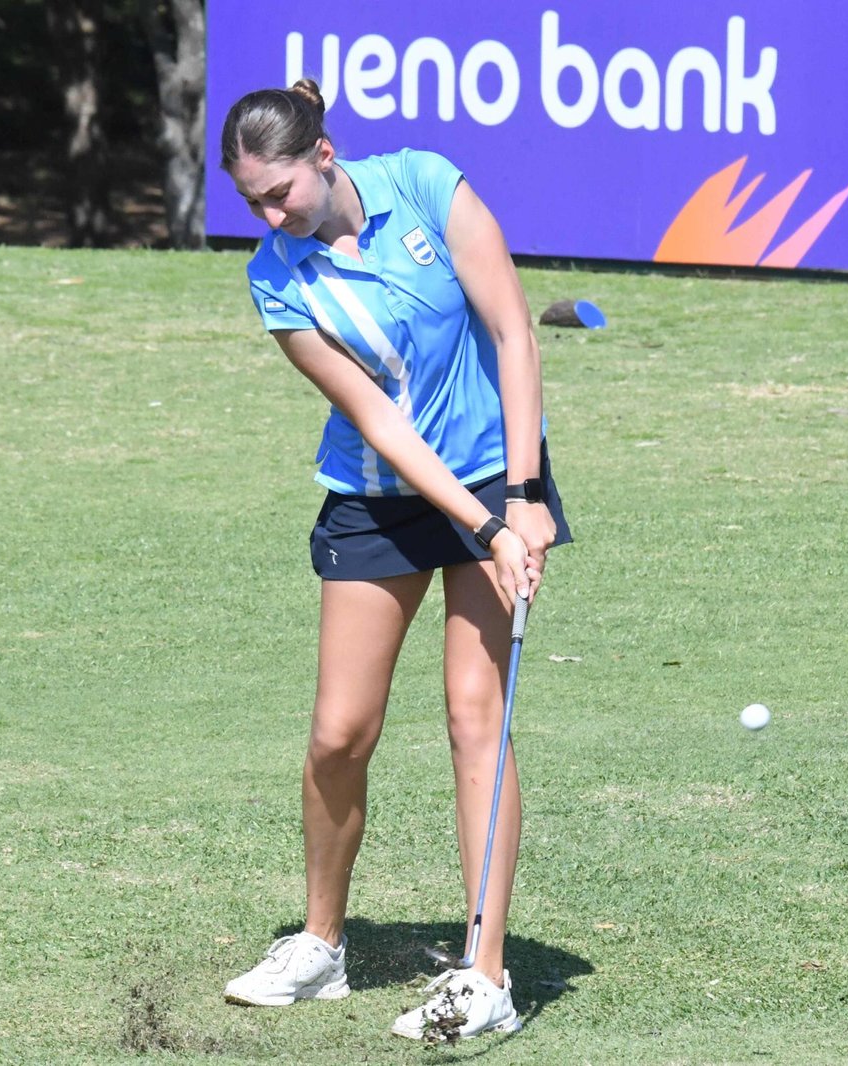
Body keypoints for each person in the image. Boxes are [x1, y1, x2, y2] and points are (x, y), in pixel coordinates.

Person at [216, 79, 572, 1042]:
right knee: (339, 732)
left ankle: (485, 974)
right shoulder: (277, 275)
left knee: (474, 716)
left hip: (498, 472)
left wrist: (523, 500)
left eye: (279, 191)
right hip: (381, 495)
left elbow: (513, 331)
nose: (269, 214)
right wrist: (488, 526)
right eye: (252, 201)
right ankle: (322, 946)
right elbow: (379, 419)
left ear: (322, 157)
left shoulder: (425, 184)